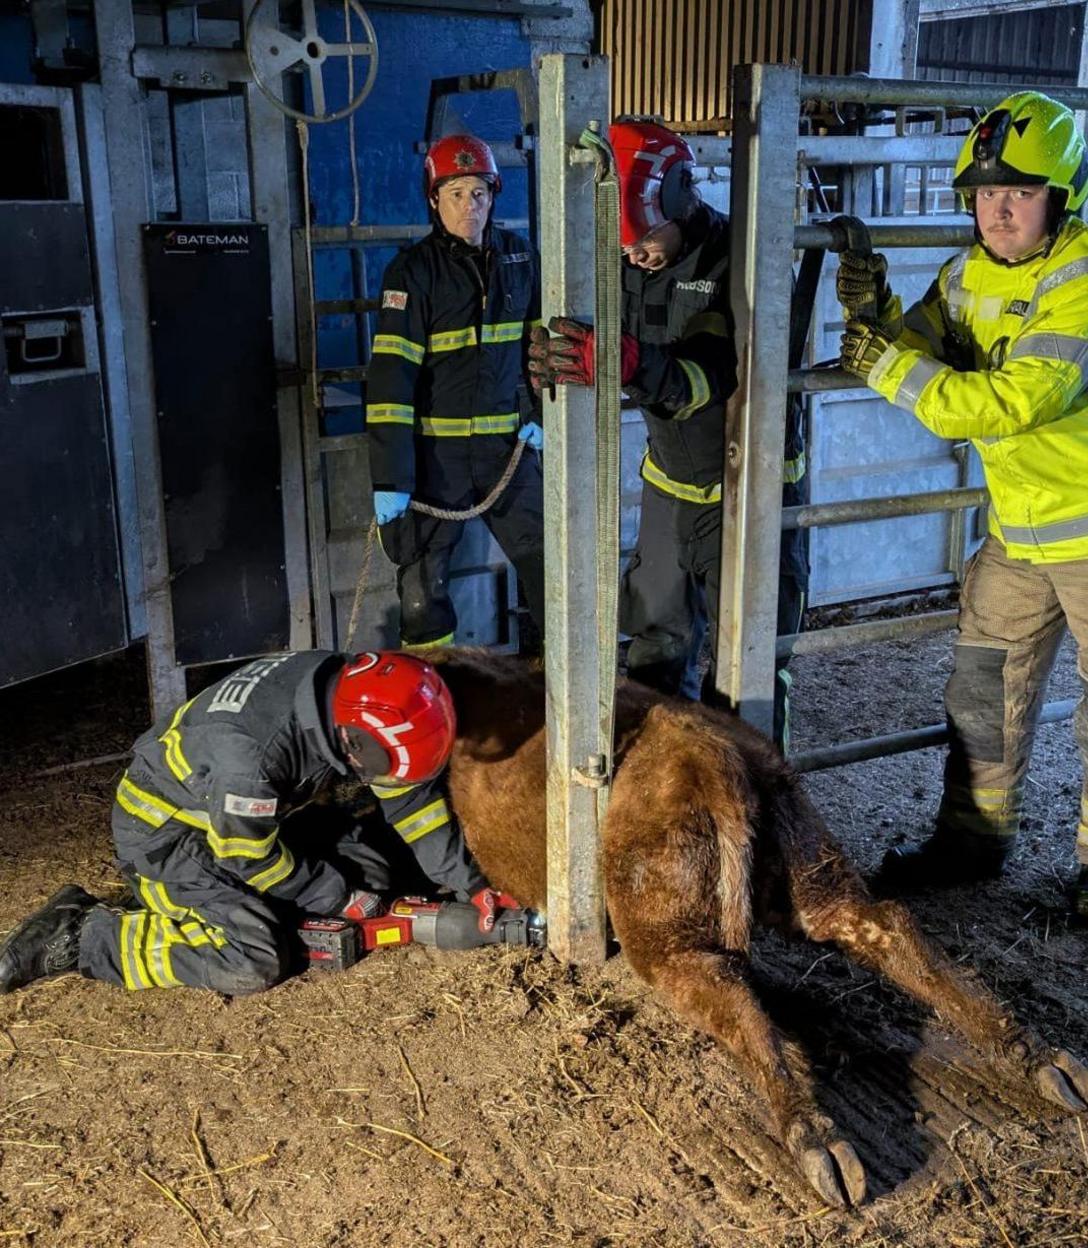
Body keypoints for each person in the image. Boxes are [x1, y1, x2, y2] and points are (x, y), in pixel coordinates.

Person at [837, 92, 1088, 921]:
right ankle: (974, 841)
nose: (997, 209)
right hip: (1022, 528)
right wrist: (875, 312)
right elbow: (924, 345)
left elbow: (1001, 405)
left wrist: (883, 364)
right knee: (980, 690)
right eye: (985, 192)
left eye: (1021, 192)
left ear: (1060, 196)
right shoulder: (968, 271)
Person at [0, 651, 518, 995]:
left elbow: (410, 802)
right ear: (354, 741)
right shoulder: (249, 756)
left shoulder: (343, 689)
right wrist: (338, 899)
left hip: (247, 816)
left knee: (374, 873)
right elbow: (250, 856)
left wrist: (469, 882)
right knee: (254, 959)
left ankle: (264, 908)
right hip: (170, 843)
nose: (392, 782)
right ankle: (86, 935)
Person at [528, 119, 809, 749]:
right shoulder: (620, 259)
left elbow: (711, 374)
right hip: (668, 487)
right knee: (654, 648)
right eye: (625, 244)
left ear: (681, 196)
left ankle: (761, 808)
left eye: (647, 238)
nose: (636, 254)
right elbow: (576, 338)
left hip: (751, 489)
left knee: (749, 669)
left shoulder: (742, 260)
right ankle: (659, 794)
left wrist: (624, 362)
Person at [367, 133, 545, 650]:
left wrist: (542, 415)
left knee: (552, 573)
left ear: (494, 196)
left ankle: (550, 698)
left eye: (480, 192)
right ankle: (437, 706)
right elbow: (390, 381)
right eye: (457, 193)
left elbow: (541, 346)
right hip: (435, 463)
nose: (471, 205)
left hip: (507, 456)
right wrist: (391, 477)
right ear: (433, 199)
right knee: (422, 593)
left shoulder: (520, 259)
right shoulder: (412, 271)